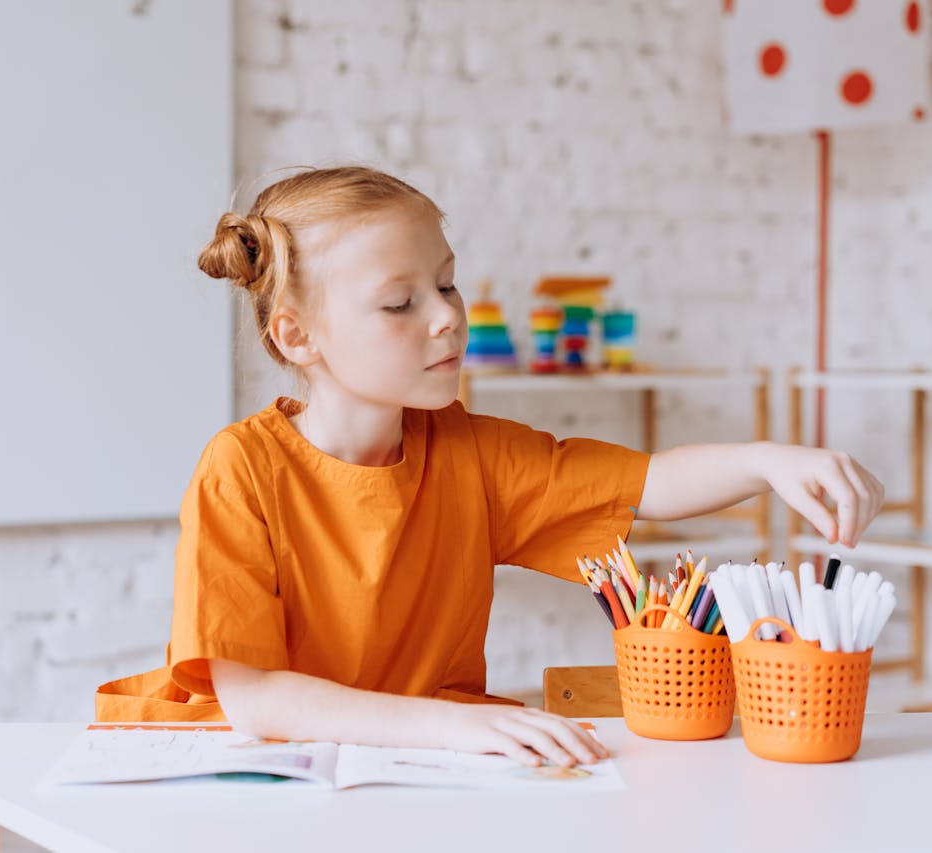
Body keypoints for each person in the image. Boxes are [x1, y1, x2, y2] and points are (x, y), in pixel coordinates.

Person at [95, 165, 884, 769]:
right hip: (257, 775)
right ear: (299, 337)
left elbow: (650, 484)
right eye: (401, 303)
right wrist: (455, 720)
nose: (447, 317)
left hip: (418, 772)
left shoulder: (472, 453)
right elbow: (255, 696)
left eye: (446, 283)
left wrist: (768, 459)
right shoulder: (240, 469)